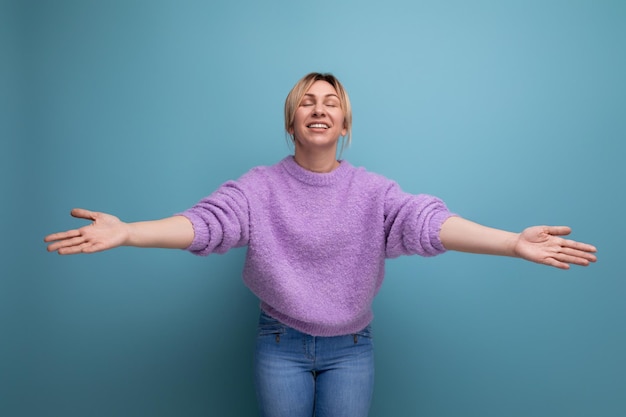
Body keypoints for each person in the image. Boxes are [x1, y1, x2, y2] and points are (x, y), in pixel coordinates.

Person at [44, 72, 597, 417]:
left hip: (352, 350)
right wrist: (129, 232)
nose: (319, 108)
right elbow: (206, 224)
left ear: (344, 122)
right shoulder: (258, 187)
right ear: (292, 121)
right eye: (307, 101)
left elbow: (429, 223)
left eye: (330, 102)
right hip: (278, 344)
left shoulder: (372, 190)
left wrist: (512, 243)